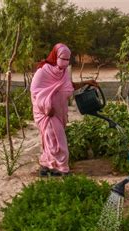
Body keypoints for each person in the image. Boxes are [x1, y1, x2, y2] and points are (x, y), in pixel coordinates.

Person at [30, 43, 97, 177]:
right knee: (57, 140)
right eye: (63, 58)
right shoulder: (43, 71)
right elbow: (35, 92)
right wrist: (47, 107)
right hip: (46, 113)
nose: (65, 62)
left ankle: (47, 166)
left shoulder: (63, 72)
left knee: (51, 140)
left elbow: (69, 86)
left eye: (67, 59)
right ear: (55, 56)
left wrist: (86, 83)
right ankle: (62, 169)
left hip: (60, 112)